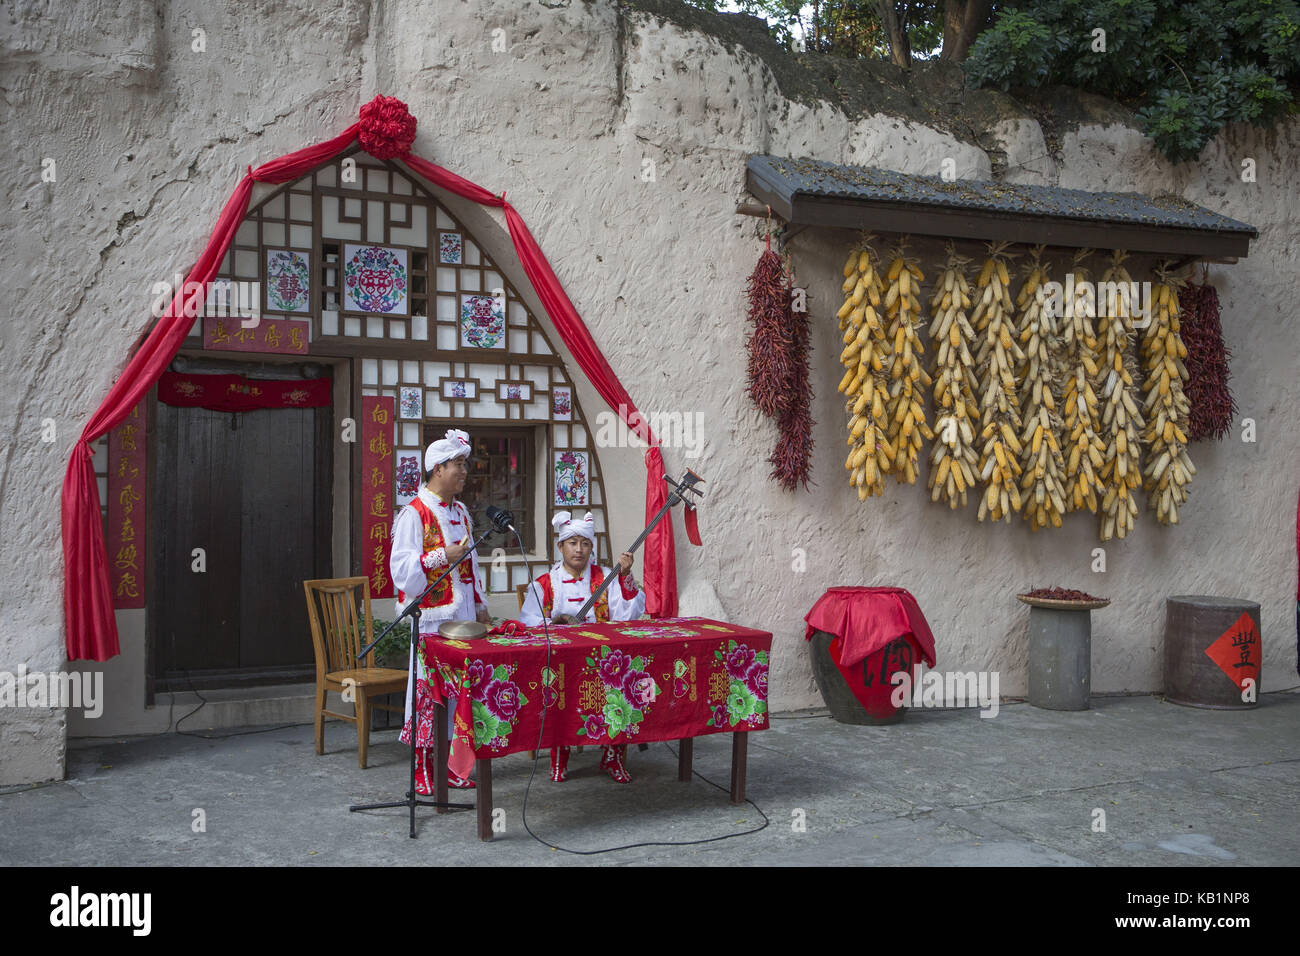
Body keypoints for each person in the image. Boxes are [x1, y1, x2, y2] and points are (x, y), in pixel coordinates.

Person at [390, 428, 491, 794]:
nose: (465, 471)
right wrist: (440, 557)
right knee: (426, 690)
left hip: (462, 612)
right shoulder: (414, 514)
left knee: (460, 691)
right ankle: (421, 767)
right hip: (431, 617)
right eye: (459, 464)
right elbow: (400, 570)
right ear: (437, 469)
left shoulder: (461, 511)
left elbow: (472, 563)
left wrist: (480, 605)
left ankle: (452, 764)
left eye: (465, 464)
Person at [520, 511, 646, 783]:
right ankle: (559, 754)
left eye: (585, 543)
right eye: (572, 543)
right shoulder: (545, 583)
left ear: (592, 547)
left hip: (603, 662)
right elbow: (529, 622)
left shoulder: (605, 577)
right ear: (560, 547)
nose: (579, 550)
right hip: (563, 663)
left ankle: (613, 756)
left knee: (624, 684)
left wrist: (624, 576)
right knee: (555, 689)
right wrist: (554, 621)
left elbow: (627, 616)